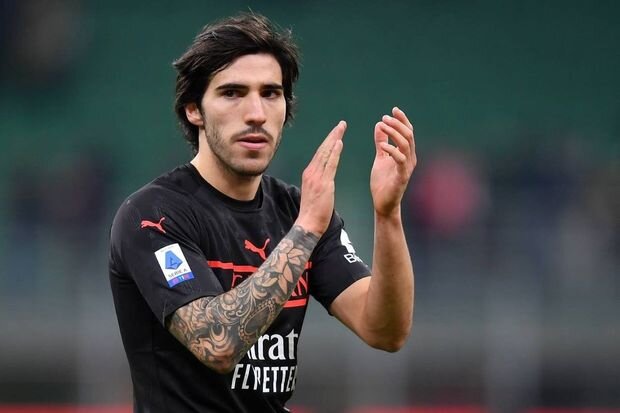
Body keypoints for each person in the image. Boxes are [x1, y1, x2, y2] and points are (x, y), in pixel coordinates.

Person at [109, 12, 416, 413]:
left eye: (270, 93)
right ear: (193, 109)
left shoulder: (297, 210)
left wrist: (388, 214)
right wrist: (306, 229)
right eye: (232, 93)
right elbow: (217, 343)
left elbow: (385, 330)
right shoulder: (153, 215)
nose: (256, 113)